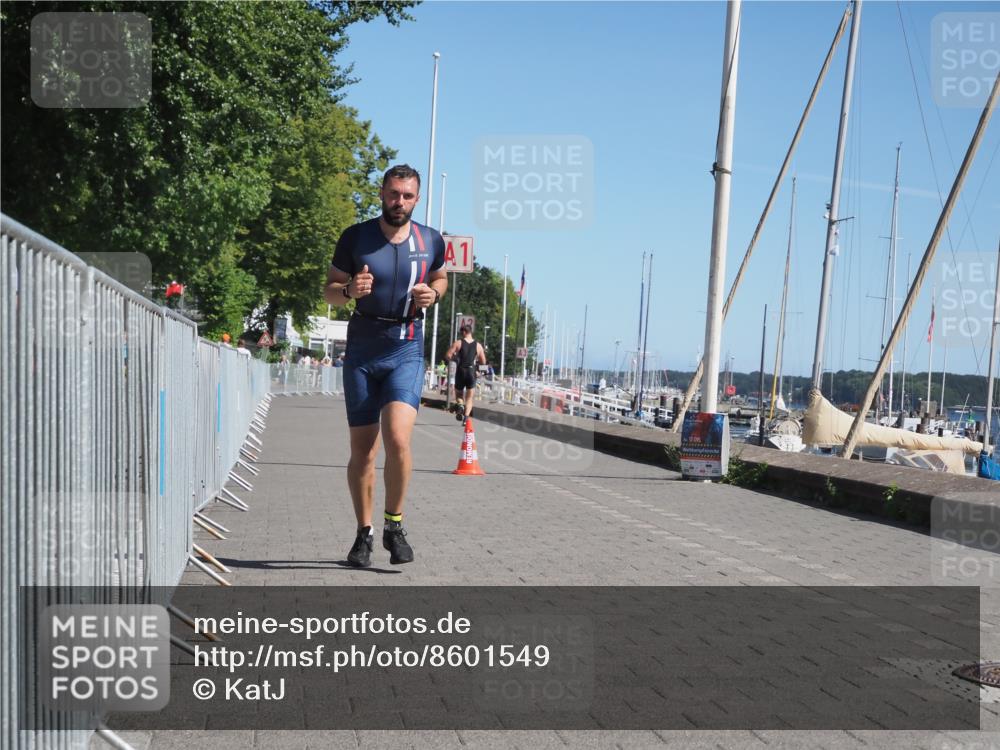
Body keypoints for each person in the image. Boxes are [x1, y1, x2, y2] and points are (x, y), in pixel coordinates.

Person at [324, 164, 447, 567]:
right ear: (382, 193)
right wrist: (347, 290)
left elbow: (441, 277)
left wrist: (433, 293)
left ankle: (395, 524)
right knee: (363, 449)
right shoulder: (355, 236)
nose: (400, 202)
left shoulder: (430, 240)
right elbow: (330, 291)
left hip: (406, 347)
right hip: (362, 348)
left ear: (417, 198)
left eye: (408, 196)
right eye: (394, 194)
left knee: (397, 437)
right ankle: (364, 534)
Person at [445, 326, 487, 422]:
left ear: (464, 332)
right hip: (471, 372)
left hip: (460, 371)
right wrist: (479, 371)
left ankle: (460, 406)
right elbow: (483, 361)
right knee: (469, 398)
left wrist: (455, 360)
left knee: (459, 394)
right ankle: (466, 418)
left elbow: (448, 355)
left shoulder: (458, 343)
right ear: (470, 332)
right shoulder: (478, 346)